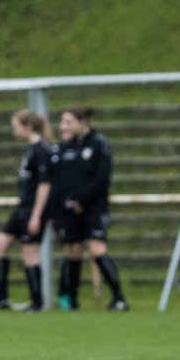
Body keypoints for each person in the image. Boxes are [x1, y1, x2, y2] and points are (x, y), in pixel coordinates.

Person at [49, 106, 129, 311]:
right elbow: (58, 182)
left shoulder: (99, 145)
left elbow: (102, 179)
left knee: (96, 249)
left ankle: (118, 298)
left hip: (93, 208)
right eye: (63, 122)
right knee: (73, 251)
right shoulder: (64, 148)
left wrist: (81, 202)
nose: (64, 126)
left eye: (69, 122)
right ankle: (71, 300)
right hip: (68, 211)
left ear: (83, 122)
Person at [0, 110, 54, 312]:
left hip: (33, 209)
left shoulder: (41, 150)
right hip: (22, 207)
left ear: (28, 126)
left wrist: (36, 215)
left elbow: (45, 184)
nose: (14, 129)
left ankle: (37, 302)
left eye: (16, 125)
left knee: (29, 252)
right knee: (0, 243)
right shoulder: (31, 149)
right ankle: (1, 298)